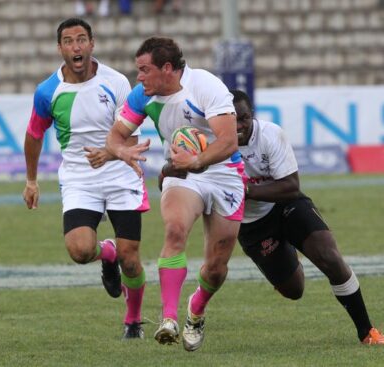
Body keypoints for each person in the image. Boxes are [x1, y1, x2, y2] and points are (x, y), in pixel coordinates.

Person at [106, 37, 245, 351]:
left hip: (224, 173)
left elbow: (228, 142)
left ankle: (196, 312)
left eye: (144, 70)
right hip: (182, 173)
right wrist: (121, 151)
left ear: (167, 68)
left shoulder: (205, 85)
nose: (139, 77)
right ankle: (168, 318)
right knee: (174, 229)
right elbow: (114, 136)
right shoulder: (142, 95)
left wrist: (197, 160)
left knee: (217, 266)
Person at [22, 18, 150, 339]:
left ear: (92, 44)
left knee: (131, 259)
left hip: (121, 172)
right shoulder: (48, 91)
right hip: (80, 178)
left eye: (82, 40)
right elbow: (34, 134)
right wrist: (32, 180)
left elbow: (131, 138)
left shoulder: (117, 82)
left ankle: (133, 320)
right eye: (69, 41)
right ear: (60, 48)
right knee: (79, 251)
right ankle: (106, 254)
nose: (76, 47)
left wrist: (110, 153)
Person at [232, 89, 384, 345]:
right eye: (232, 119)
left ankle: (367, 332)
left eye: (244, 118)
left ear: (252, 115)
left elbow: (291, 186)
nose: (238, 125)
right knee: (294, 290)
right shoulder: (215, 144)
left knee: (329, 256)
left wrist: (247, 189)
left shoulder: (270, 134)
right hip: (252, 225)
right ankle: (289, 252)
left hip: (285, 205)